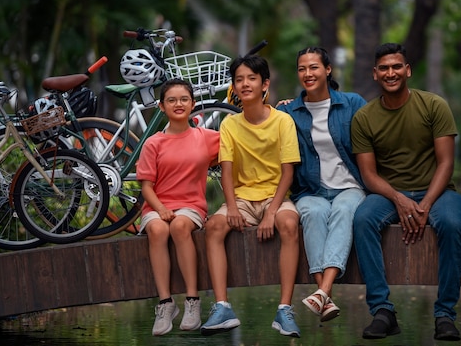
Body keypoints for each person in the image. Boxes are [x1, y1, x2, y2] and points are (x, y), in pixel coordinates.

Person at [351, 43, 461, 341]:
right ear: (375, 74)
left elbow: (446, 163)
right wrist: (399, 199)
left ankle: (445, 315)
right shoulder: (364, 118)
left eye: (397, 66)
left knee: (453, 223)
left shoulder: (434, 105)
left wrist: (426, 203)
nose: (391, 73)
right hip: (389, 194)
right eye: (385, 68)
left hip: (438, 192)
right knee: (363, 218)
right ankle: (382, 311)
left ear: (408, 70)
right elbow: (369, 175)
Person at [200, 54, 302, 338]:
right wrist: (231, 207)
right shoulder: (230, 125)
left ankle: (284, 310)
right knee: (214, 227)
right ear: (234, 87)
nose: (245, 84)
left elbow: (288, 173)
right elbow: (227, 171)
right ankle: (222, 307)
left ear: (264, 84)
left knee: (289, 225)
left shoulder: (283, 121)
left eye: (251, 79)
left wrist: (272, 212)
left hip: (275, 197)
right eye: (239, 80)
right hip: (243, 199)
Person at [277, 46, 366, 323]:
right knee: (313, 214)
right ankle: (323, 297)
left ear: (327, 70)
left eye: (314, 67)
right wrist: (278, 108)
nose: (308, 73)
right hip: (310, 190)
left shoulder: (352, 103)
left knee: (344, 211)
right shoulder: (290, 112)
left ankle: (323, 291)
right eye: (302, 69)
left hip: (349, 186)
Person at [136, 78, 220, 336]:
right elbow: (146, 187)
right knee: (159, 231)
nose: (178, 104)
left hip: (191, 205)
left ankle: (192, 301)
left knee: (181, 226)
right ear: (162, 106)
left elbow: (243, 139)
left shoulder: (207, 138)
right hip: (157, 205)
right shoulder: (153, 143)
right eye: (171, 100)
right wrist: (160, 209)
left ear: (193, 104)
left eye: (184, 99)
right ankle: (165, 303)